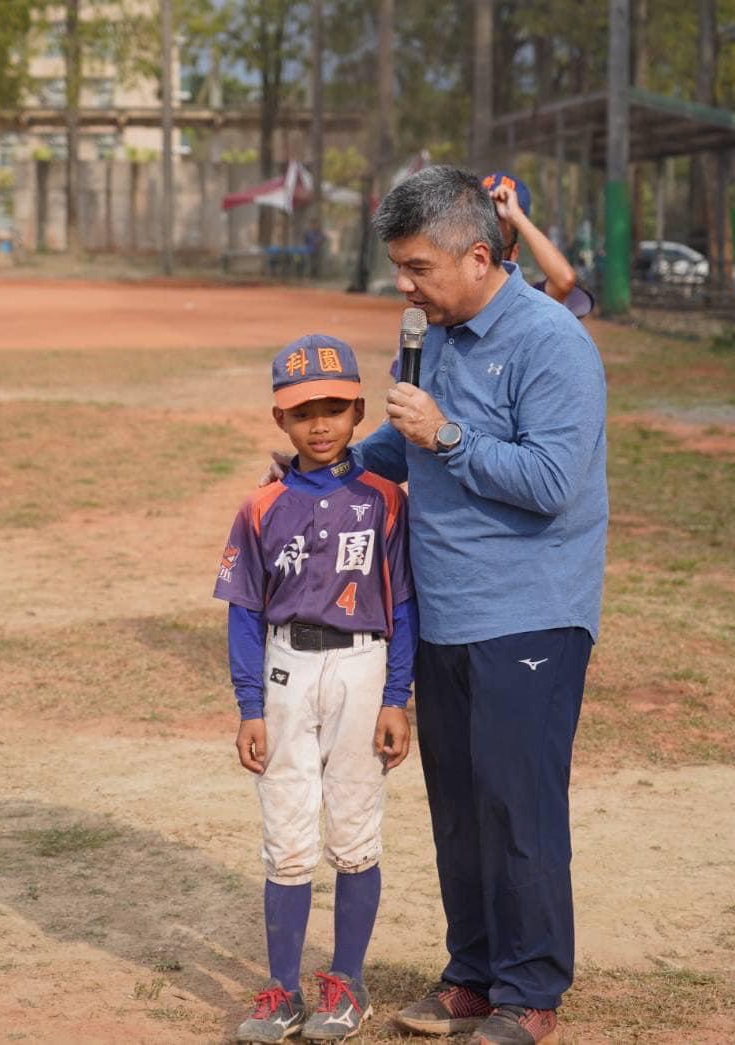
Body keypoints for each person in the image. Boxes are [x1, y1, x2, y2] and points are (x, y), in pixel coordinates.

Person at [363, 167, 607, 1045]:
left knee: (518, 805)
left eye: (417, 267)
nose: (404, 285)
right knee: (460, 804)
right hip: (447, 611)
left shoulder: (552, 343)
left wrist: (447, 435)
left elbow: (549, 482)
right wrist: (334, 468)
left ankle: (529, 993)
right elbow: (402, 436)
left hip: (531, 613)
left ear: (477, 254)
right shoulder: (434, 336)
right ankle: (471, 973)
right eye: (397, 266)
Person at [216, 335, 418, 1043]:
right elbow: (243, 609)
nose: (320, 423)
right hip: (284, 668)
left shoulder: (385, 499)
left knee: (355, 828)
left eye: (335, 407)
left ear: (360, 410)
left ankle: (348, 982)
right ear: (280, 420)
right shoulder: (260, 505)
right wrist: (248, 706)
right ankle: (282, 987)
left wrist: (398, 694)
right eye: (304, 412)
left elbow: (403, 606)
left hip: (363, 665)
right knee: (287, 835)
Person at [481, 171, 595, 319]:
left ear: (513, 254)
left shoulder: (522, 303)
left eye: (494, 242)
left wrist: (515, 216)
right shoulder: (454, 289)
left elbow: (564, 280)